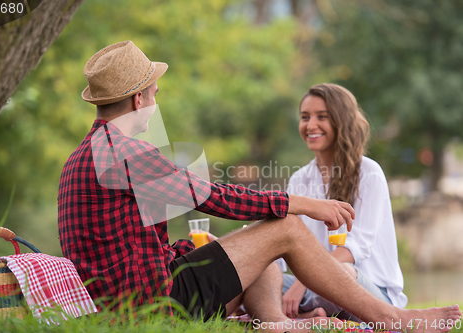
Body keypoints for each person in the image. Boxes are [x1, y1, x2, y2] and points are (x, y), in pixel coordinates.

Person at [57, 41, 460, 332]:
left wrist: (193, 250)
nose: (156, 97)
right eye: (154, 91)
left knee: (260, 239)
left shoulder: (80, 158)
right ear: (137, 98)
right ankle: (394, 319)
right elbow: (215, 197)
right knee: (282, 227)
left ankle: (279, 324)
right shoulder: (126, 152)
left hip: (127, 301)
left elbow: (130, 248)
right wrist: (301, 205)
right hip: (154, 305)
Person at [278, 83, 408, 321]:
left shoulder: (369, 174)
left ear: (341, 121)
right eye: (305, 117)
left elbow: (356, 247)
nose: (310, 125)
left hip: (369, 293)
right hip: (314, 287)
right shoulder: (300, 179)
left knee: (342, 274)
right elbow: (281, 243)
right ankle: (312, 317)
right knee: (259, 283)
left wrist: (302, 283)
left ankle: (307, 316)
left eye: (322, 117)